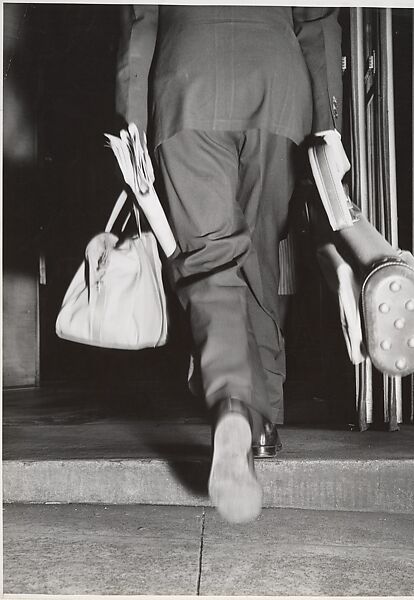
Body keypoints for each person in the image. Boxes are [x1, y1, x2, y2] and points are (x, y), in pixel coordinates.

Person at [115, 5, 343, 523]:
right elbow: (319, 20)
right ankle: (261, 423)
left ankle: (235, 406)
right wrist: (327, 125)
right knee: (260, 255)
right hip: (277, 87)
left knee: (211, 263)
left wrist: (132, 118)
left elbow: (138, 20)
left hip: (188, 82)